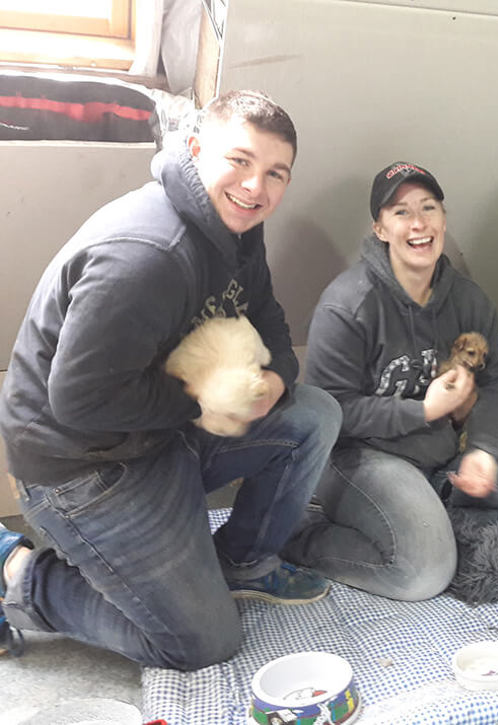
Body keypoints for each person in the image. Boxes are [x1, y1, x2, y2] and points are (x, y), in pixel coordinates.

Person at [0, 91, 342, 667]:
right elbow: (80, 400)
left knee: (313, 414)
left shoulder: (238, 226)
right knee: (202, 643)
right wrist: (205, 401)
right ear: (196, 148)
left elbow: (267, 315)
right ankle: (18, 570)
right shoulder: (149, 254)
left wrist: (278, 379)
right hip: (84, 467)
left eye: (275, 173)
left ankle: (241, 563)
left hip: (159, 432)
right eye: (240, 160)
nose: (255, 187)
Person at [282, 161, 498, 601]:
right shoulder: (345, 306)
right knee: (423, 574)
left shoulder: (469, 300)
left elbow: (492, 382)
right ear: (379, 229)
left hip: (442, 455)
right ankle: (300, 537)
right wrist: (423, 410)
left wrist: (483, 451)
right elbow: (330, 411)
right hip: (360, 460)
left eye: (428, 208)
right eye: (401, 212)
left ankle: (442, 516)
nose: (418, 223)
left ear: (444, 219)